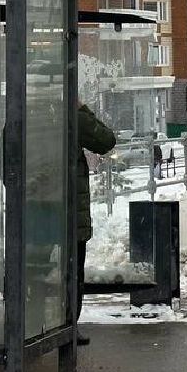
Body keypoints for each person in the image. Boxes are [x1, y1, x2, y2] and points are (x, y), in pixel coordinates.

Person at [77, 102, 117, 344]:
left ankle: (32, 325)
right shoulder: (73, 116)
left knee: (36, 270)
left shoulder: (23, 113)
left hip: (34, 211)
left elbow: (6, 161)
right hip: (69, 211)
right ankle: (67, 325)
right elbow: (105, 141)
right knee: (71, 271)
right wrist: (82, 109)